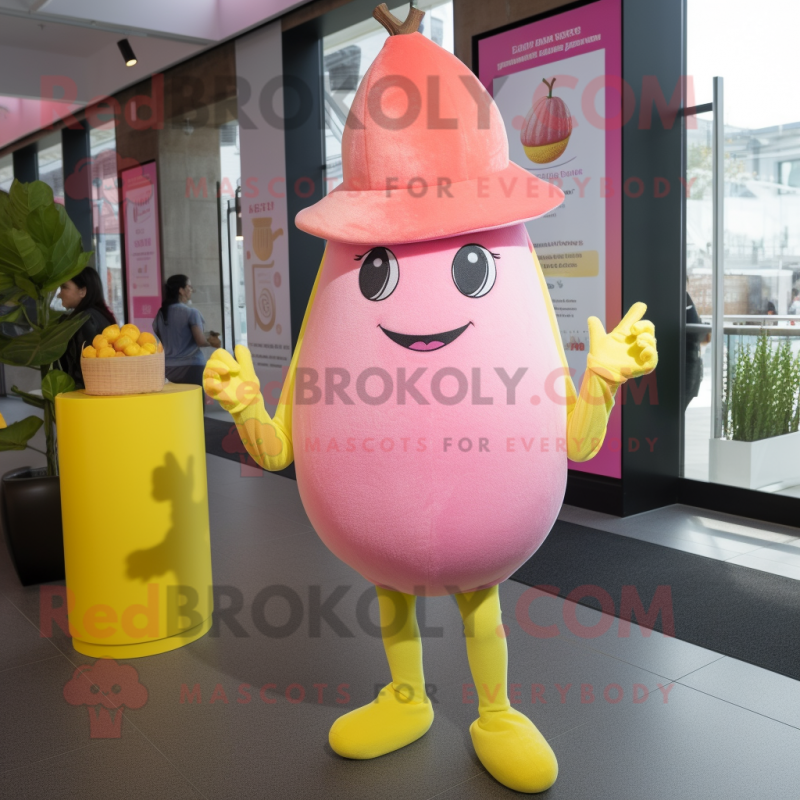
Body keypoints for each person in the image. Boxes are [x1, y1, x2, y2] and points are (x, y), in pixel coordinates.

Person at [153, 274, 220, 387]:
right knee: (195, 398)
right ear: (181, 290)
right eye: (189, 287)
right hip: (191, 368)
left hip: (168, 368)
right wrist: (213, 341)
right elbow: (200, 341)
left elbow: (161, 338)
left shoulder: (161, 314)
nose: (192, 290)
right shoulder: (191, 313)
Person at [57, 267, 117, 388]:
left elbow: (85, 368)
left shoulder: (84, 319)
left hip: (87, 393)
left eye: (64, 287)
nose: (59, 294)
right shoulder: (99, 314)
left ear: (82, 291)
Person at [684, 292, 709, 413]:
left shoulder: (683, 296)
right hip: (688, 360)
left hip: (690, 359)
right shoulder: (684, 296)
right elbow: (695, 330)